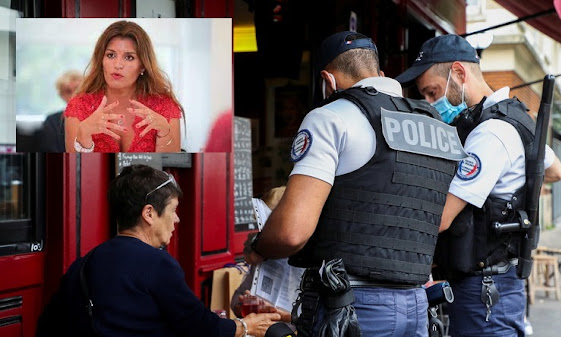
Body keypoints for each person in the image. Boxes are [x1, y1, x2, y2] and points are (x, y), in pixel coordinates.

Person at [244, 31, 462, 337]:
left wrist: (258, 247)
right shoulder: (436, 125)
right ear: (381, 74)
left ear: (327, 81)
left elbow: (292, 233)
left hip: (353, 306)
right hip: (417, 303)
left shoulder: (330, 117)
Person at [396, 34, 561, 337]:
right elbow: (554, 171)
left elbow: (442, 218)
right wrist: (514, 193)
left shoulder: (489, 134)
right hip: (499, 284)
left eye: (433, 92)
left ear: (459, 73)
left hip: (484, 290)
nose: (432, 103)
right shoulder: (515, 117)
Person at [36, 165, 280, 337]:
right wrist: (245, 327)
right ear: (149, 213)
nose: (177, 219)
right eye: (173, 209)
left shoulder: (84, 264)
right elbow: (199, 327)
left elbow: (47, 327)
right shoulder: (157, 264)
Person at [65, 20, 182, 153]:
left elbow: (167, 168)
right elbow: (75, 170)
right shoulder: (79, 106)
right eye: (111, 55)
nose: (118, 65)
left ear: (143, 65)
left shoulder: (166, 107)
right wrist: (83, 137)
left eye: (129, 57)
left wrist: (164, 133)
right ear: (101, 61)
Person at [232, 186, 295, 323]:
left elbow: (323, 322)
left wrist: (279, 315)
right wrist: (245, 305)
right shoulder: (264, 258)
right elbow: (236, 300)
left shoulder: (315, 263)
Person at [35, 70, 83, 152]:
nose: (73, 95)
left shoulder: (96, 118)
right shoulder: (51, 121)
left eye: (77, 89)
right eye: (68, 91)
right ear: (61, 95)